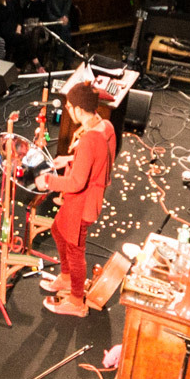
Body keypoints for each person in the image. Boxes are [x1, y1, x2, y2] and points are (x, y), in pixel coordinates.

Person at [36, 80, 117, 318]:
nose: (67, 111)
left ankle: (76, 301)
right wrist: (68, 160)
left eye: (69, 107)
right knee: (58, 230)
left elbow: (76, 183)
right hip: (82, 199)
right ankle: (66, 277)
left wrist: (48, 182)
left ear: (78, 109)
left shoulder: (91, 137)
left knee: (75, 249)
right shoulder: (105, 125)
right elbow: (98, 159)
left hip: (82, 203)